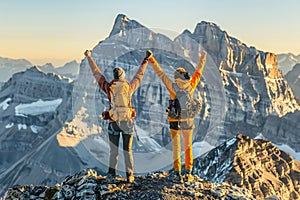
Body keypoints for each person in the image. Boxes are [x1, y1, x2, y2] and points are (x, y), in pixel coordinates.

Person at [84, 50, 150, 183]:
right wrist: (145, 60)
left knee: (113, 151)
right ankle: (130, 176)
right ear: (123, 77)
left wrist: (89, 57)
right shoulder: (129, 87)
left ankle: (111, 175)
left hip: (113, 123)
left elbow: (96, 74)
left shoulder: (109, 88)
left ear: (114, 77)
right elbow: (139, 76)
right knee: (128, 151)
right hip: (127, 124)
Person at [147, 49, 207, 182]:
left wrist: (151, 59)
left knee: (176, 147)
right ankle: (189, 172)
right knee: (188, 147)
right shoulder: (191, 85)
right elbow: (199, 71)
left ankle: (177, 172)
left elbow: (160, 73)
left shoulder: (172, 86)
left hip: (174, 119)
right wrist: (203, 57)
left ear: (176, 77)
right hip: (188, 121)